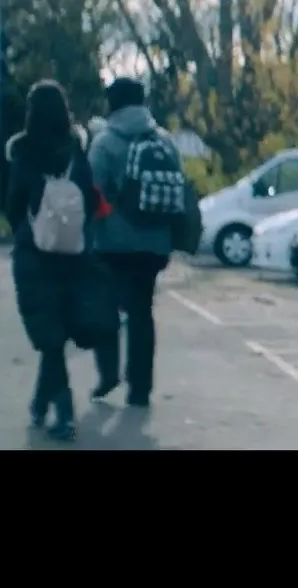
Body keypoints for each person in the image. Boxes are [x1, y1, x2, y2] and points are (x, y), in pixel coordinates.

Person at [5, 79, 110, 441]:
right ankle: (39, 403)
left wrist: (27, 229)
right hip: (73, 254)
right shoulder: (76, 151)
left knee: (48, 335)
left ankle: (64, 412)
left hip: (34, 254)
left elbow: (13, 204)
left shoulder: (23, 152)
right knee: (56, 333)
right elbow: (90, 199)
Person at [87, 76, 191, 408]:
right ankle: (140, 389)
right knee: (141, 313)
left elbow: (93, 192)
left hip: (112, 245)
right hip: (155, 244)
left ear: (113, 103)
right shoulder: (165, 141)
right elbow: (179, 187)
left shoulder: (104, 142)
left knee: (105, 308)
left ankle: (108, 374)